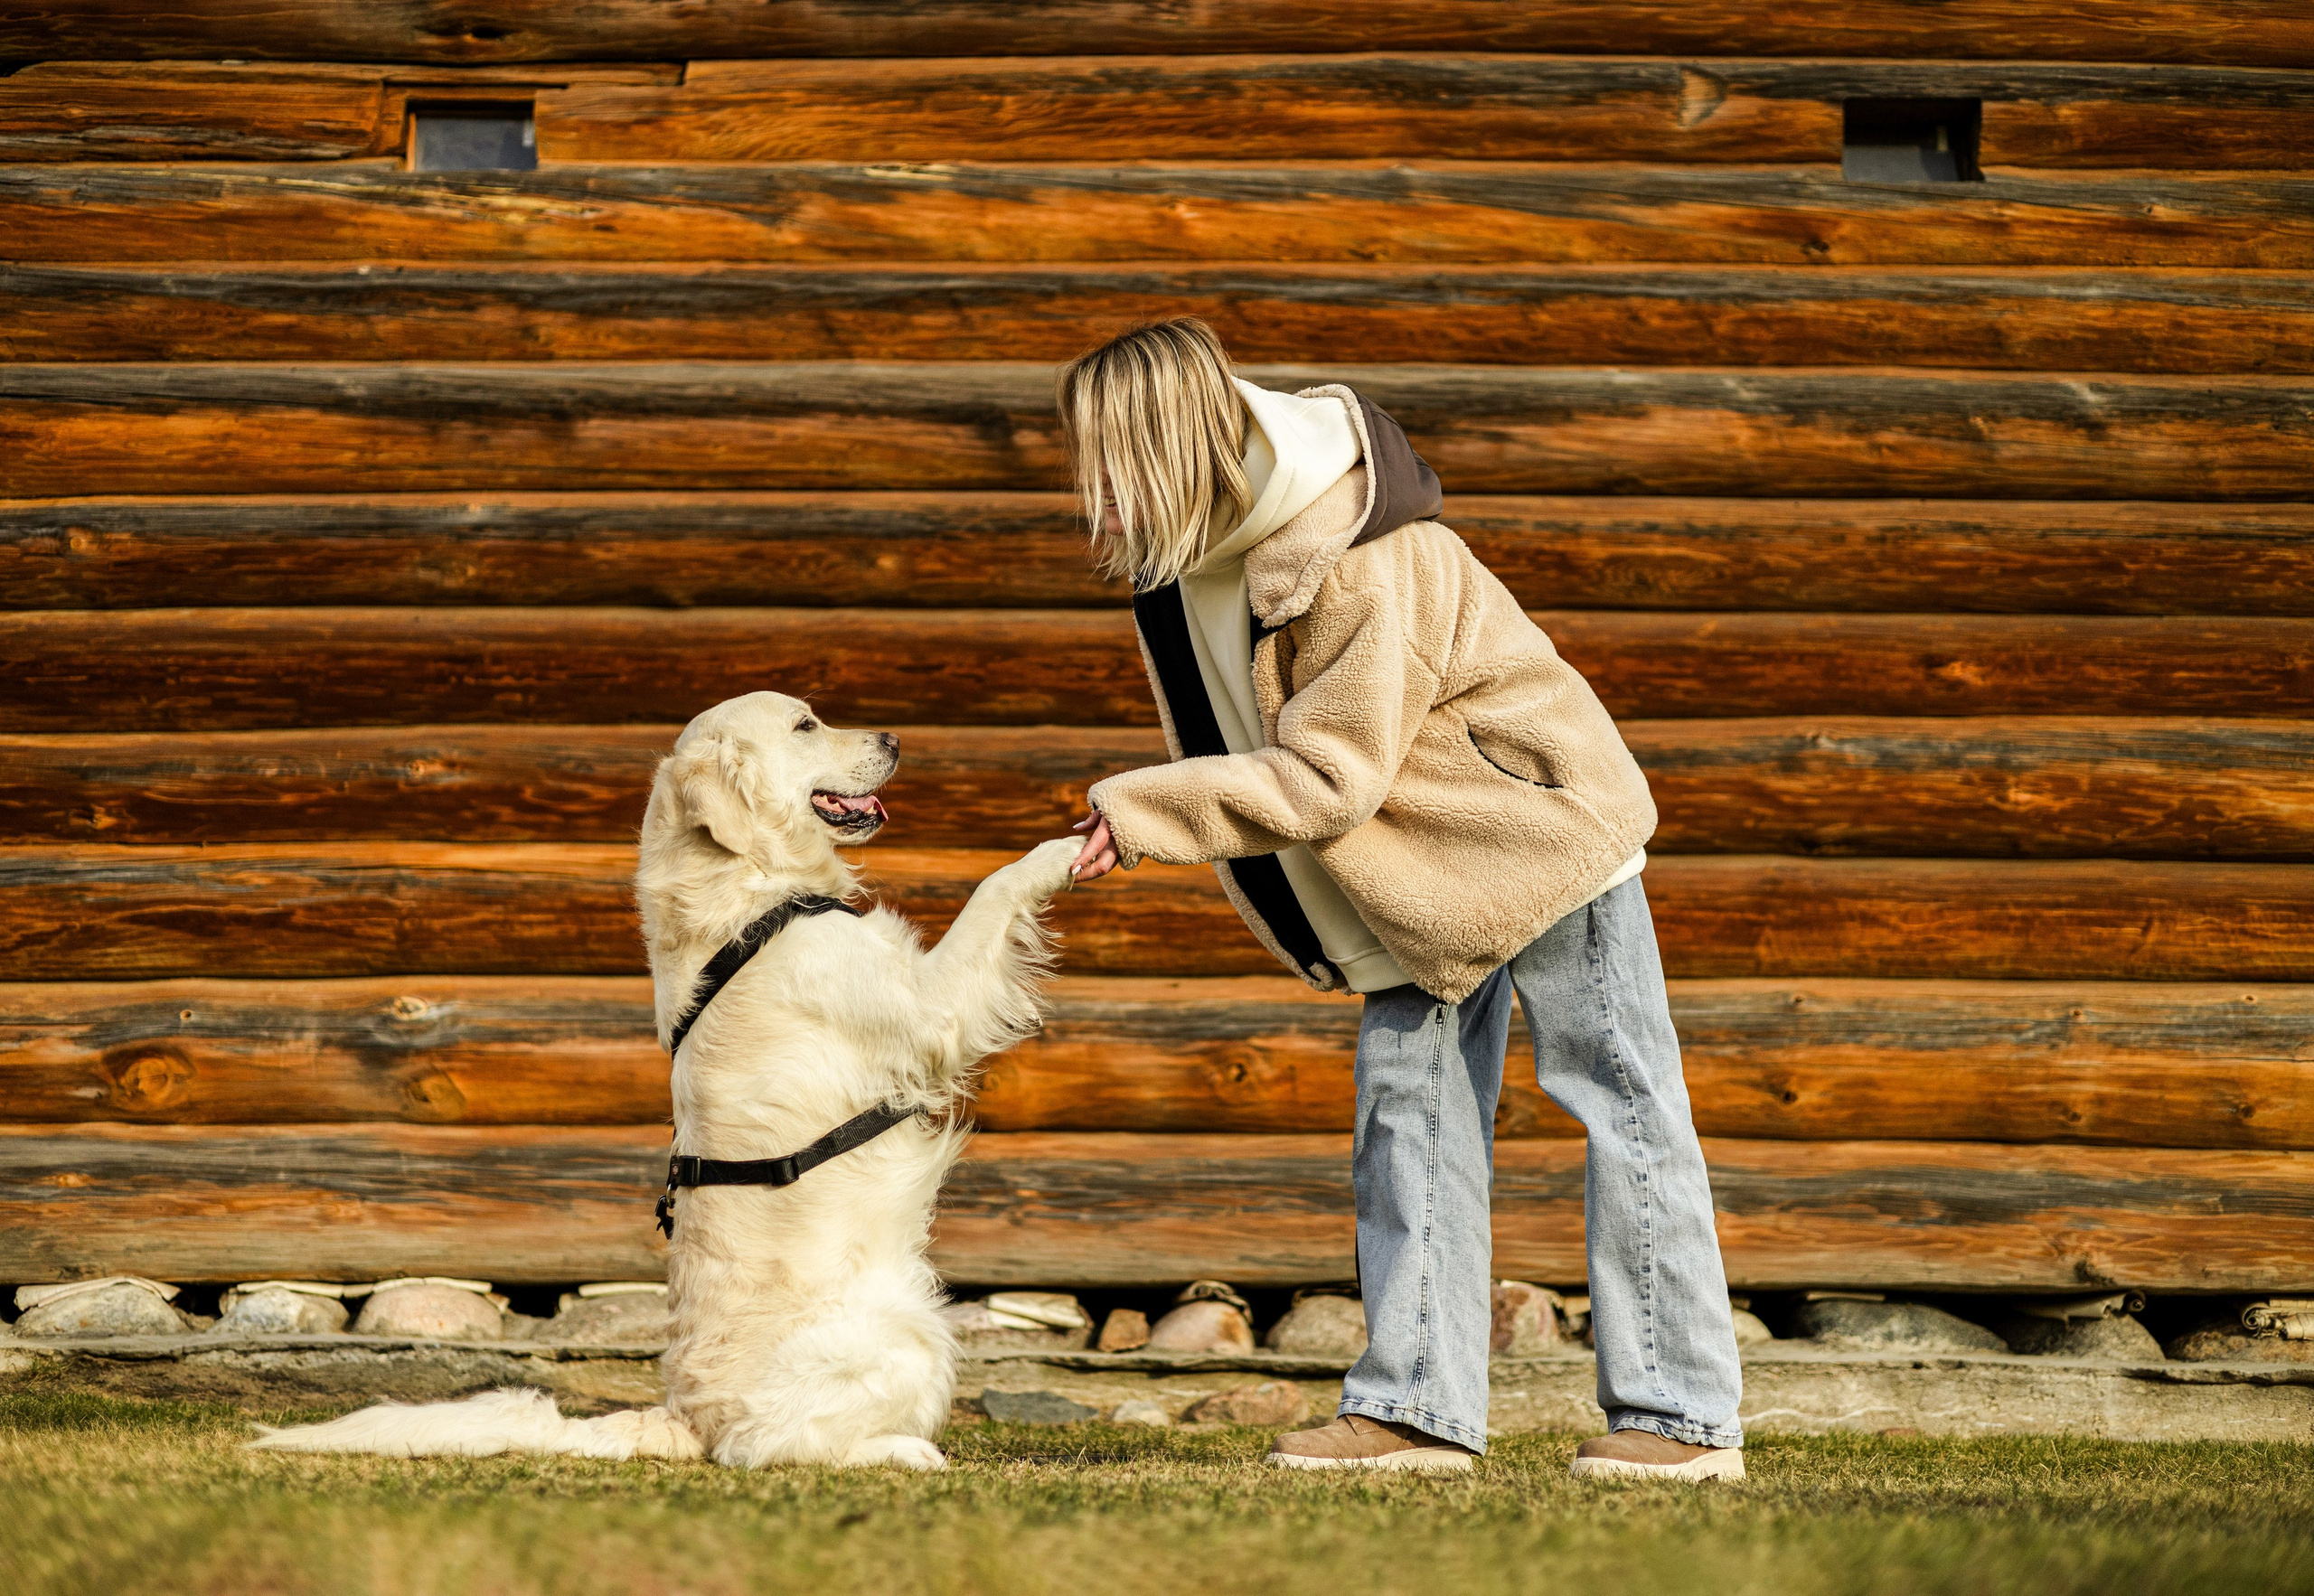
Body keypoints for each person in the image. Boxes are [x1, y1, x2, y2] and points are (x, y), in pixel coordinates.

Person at [1059, 319, 1745, 1482]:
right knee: (1406, 1120)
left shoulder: (1358, 555)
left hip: (1541, 839)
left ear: (1173, 448)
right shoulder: (1227, 560)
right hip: (1415, 880)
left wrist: (1140, 813)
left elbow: (1331, 775)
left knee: (1622, 1102)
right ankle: (1417, 1407)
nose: (1097, 495)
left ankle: (1682, 1417)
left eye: (1112, 465)